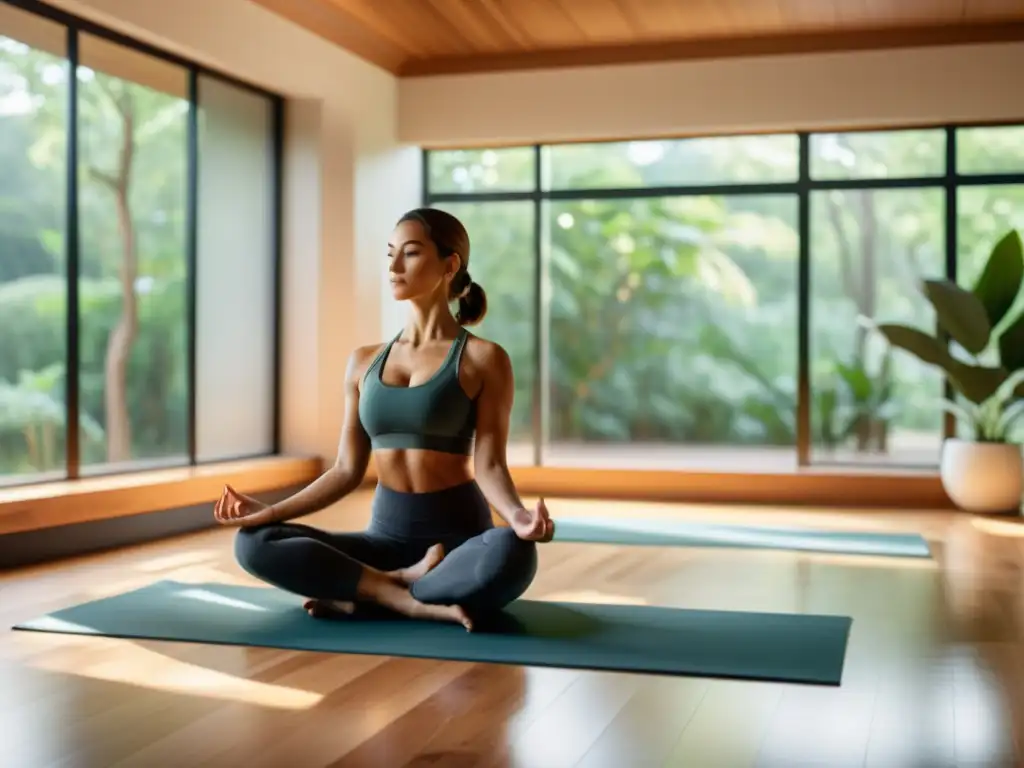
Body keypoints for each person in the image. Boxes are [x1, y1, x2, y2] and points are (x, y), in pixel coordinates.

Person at [212, 207, 554, 632]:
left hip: (459, 546)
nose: (393, 267)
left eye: (410, 254)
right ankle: (401, 592)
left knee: (513, 553)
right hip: (383, 542)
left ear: (450, 266)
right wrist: (270, 512)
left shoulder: (484, 359)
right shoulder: (363, 362)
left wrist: (519, 517)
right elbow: (345, 470)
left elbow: (490, 465)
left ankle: (366, 592)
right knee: (254, 542)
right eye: (390, 253)